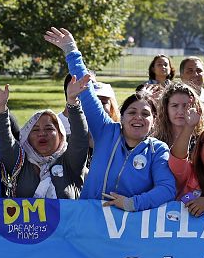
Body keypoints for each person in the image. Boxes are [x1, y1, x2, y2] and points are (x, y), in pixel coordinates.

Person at [46, 27, 176, 211]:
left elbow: (167, 189)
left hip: (126, 227)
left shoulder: (157, 149)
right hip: (89, 215)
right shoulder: (106, 131)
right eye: (132, 113)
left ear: (154, 121)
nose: (138, 118)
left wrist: (132, 203)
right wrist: (71, 51)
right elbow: (87, 91)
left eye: (146, 114)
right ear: (121, 117)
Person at [0, 74, 89, 199]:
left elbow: (80, 137)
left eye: (49, 129)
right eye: (35, 130)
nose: (42, 133)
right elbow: (4, 142)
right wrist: (0, 108)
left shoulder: (71, 161)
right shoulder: (20, 161)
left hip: (70, 219)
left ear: (61, 134)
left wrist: (72, 102)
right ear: (27, 137)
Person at [153, 82, 204, 153]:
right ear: (166, 109)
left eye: (185, 106)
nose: (180, 111)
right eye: (175, 106)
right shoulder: (155, 142)